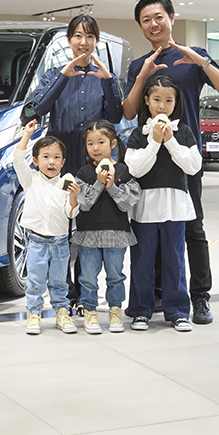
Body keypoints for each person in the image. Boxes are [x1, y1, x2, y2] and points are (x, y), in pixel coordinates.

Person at [123, 0, 219, 324]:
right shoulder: (138, 65)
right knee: (153, 229)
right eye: (146, 20)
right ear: (141, 26)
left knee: (193, 229)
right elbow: (128, 111)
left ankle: (199, 297)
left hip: (185, 156)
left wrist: (201, 62)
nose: (153, 24)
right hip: (149, 158)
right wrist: (142, 76)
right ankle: (159, 294)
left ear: (171, 18)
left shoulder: (194, 56)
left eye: (158, 17)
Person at [33, 14, 123, 312]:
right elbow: (40, 107)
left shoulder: (104, 75)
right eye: (78, 36)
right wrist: (64, 76)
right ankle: (64, 294)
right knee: (62, 225)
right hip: (61, 158)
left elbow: (116, 116)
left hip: (91, 159)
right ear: (69, 40)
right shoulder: (53, 74)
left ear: (96, 40)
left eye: (90, 36)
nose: (84, 42)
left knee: (85, 226)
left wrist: (108, 81)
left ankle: (84, 295)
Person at [125, 75, 202, 332]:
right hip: (145, 208)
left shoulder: (184, 132)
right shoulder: (139, 134)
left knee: (175, 260)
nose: (162, 105)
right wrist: (154, 143)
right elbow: (135, 168)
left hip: (175, 207)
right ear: (147, 101)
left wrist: (170, 141)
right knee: (142, 261)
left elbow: (193, 166)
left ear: (176, 103)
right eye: (157, 99)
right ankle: (140, 311)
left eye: (169, 100)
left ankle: (178, 312)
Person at [12, 119, 80, 335]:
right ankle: (34, 314)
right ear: (35, 161)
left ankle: (62, 313)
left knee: (60, 282)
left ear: (63, 162)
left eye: (57, 157)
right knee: (35, 281)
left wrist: (74, 197)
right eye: (46, 157)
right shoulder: (30, 179)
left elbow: (71, 213)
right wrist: (27, 135)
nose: (52, 162)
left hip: (60, 243)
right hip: (37, 241)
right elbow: (17, 160)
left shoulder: (67, 184)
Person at [72, 120, 140, 334]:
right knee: (88, 278)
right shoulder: (83, 172)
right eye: (90, 143)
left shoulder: (124, 171)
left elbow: (127, 204)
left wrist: (111, 186)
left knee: (116, 276)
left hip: (116, 234)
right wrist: (99, 183)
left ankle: (115, 311)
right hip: (88, 234)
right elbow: (83, 204)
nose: (95, 148)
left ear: (112, 143)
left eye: (100, 142)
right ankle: (90, 312)